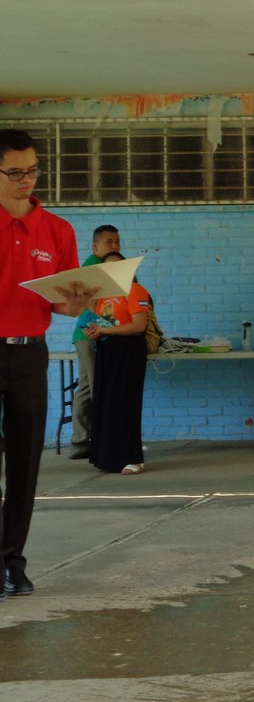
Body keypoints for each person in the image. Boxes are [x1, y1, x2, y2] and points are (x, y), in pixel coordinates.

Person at [0, 128, 96, 600]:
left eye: (33, 170)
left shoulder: (57, 231)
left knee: (24, 461)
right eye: (15, 172)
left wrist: (77, 303)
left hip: (27, 352)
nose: (26, 180)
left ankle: (11, 564)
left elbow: (64, 306)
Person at [82, 252, 151, 476]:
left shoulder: (136, 290)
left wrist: (104, 330)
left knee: (125, 403)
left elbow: (138, 325)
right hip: (107, 349)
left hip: (128, 350)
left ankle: (133, 458)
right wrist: (95, 330)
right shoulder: (104, 296)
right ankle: (110, 457)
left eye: (117, 267)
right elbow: (98, 318)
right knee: (106, 403)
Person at [67, 224, 121, 460]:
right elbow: (94, 305)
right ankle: (101, 442)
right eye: (109, 242)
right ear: (95, 246)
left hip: (87, 335)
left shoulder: (103, 266)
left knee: (86, 389)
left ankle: (80, 443)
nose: (115, 246)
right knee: (97, 389)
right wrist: (115, 324)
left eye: (117, 241)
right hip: (91, 334)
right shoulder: (94, 268)